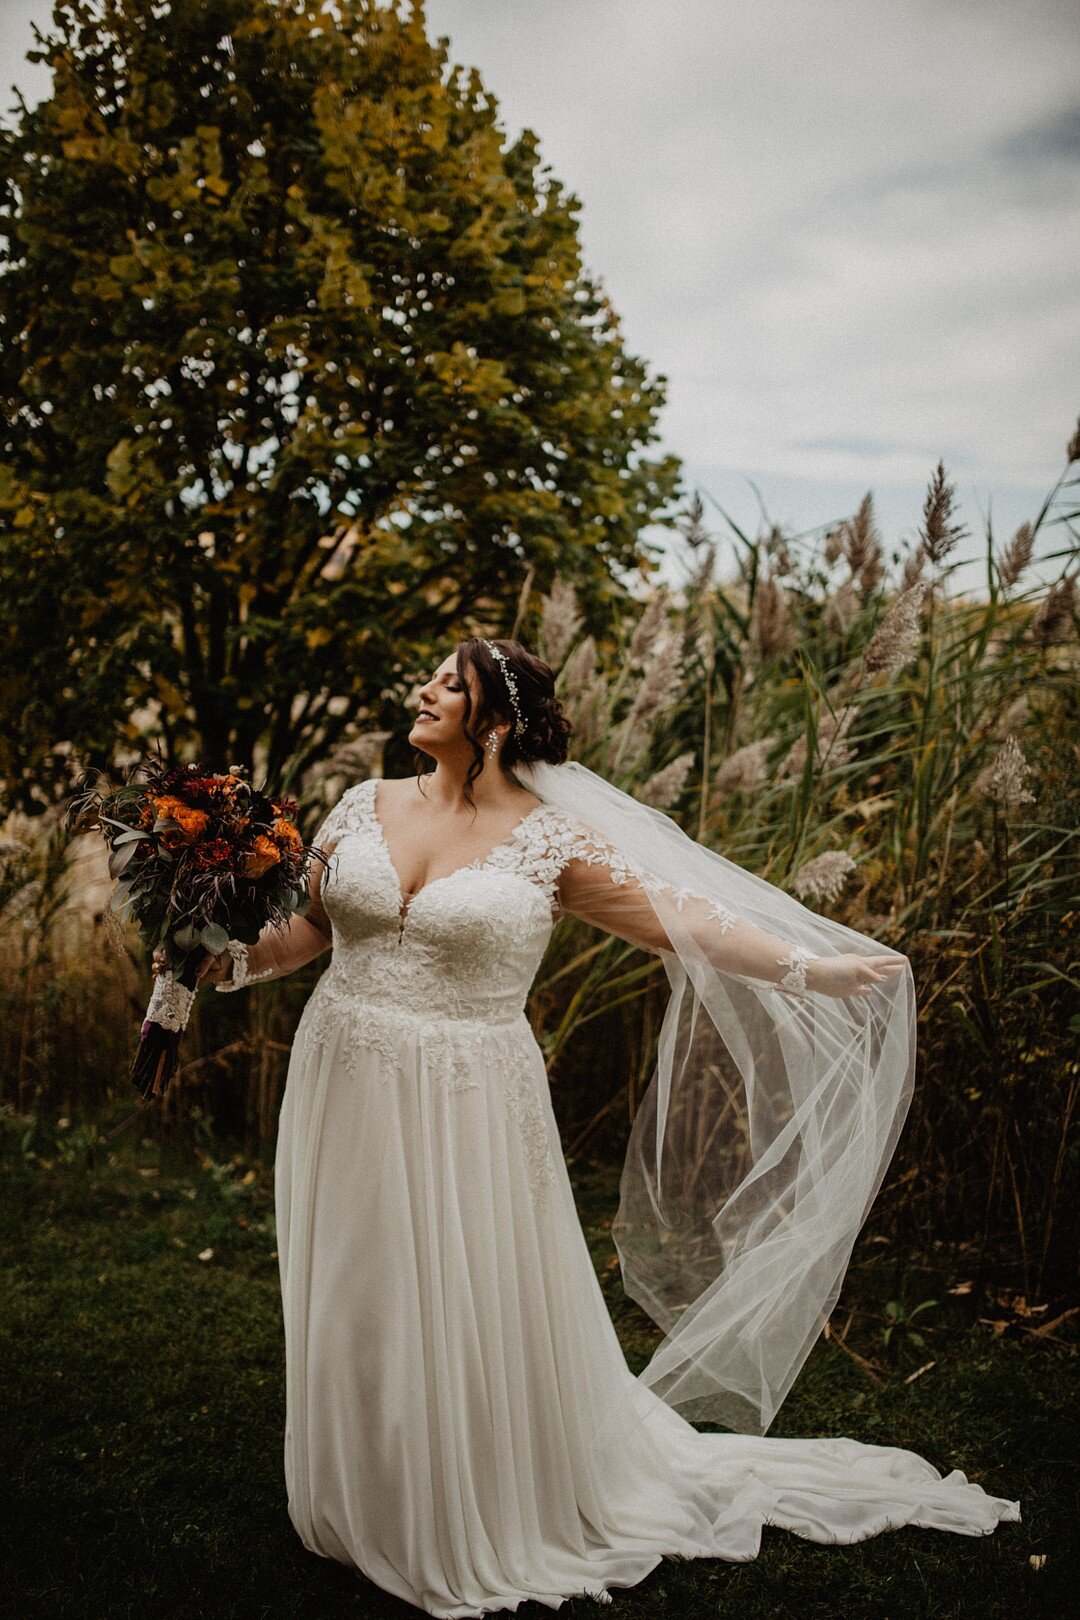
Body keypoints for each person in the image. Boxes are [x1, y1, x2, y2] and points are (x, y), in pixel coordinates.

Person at [154, 637, 1018, 1615]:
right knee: (362, 1282)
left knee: (458, 1282)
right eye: (430, 679)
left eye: (451, 684)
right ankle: (369, 1492)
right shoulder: (367, 803)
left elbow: (681, 919)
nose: (426, 691)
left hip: (471, 1090)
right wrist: (212, 959)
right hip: (346, 1068)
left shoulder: (550, 838)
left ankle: (466, 1500)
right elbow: (308, 931)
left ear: (497, 720)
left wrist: (811, 969)